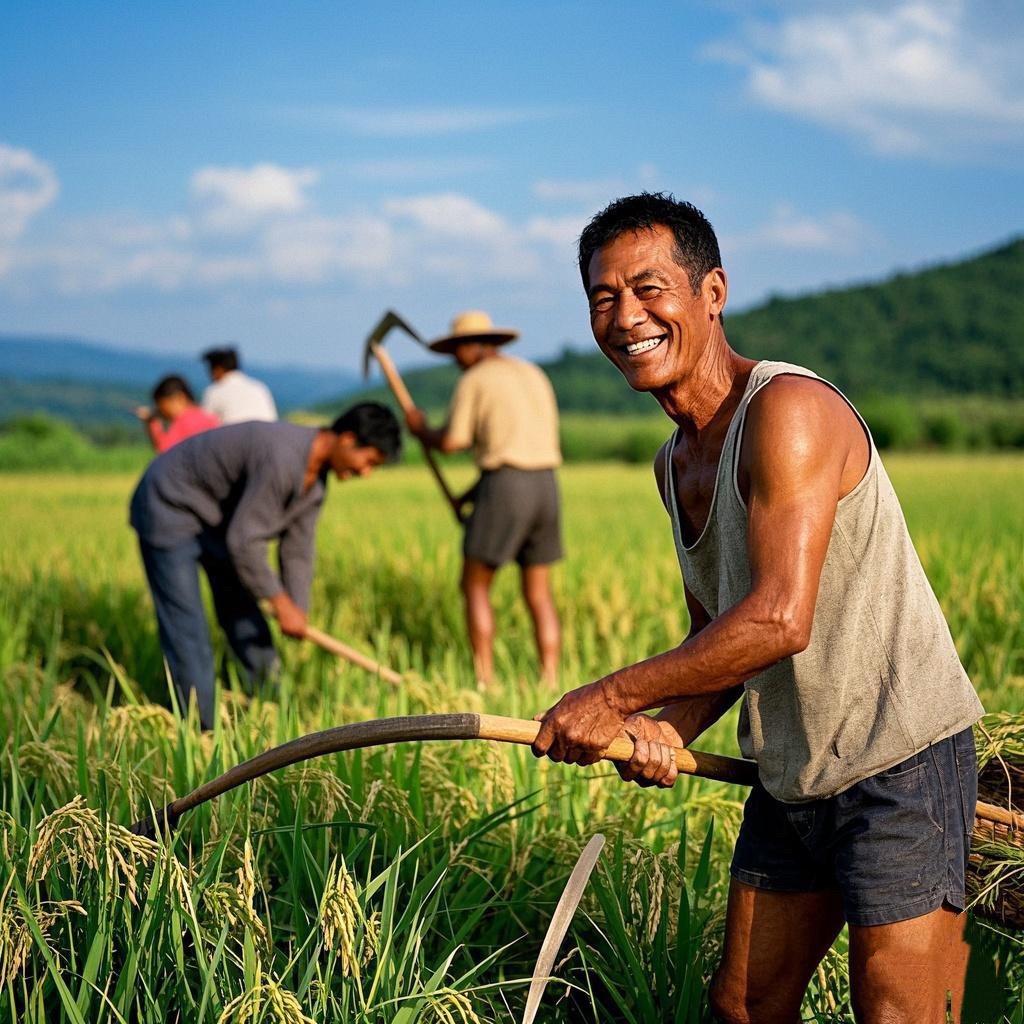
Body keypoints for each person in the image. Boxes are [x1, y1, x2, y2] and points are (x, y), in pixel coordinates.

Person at [530, 194, 984, 1023]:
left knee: (899, 1014)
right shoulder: (674, 464)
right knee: (742, 1008)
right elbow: (719, 633)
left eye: (649, 288)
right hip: (793, 775)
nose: (626, 315)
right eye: (603, 297)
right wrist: (669, 727)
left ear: (713, 292)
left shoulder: (788, 411)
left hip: (899, 764)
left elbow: (778, 618)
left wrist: (612, 699)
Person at [129, 402, 401, 730]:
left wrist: (296, 607)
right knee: (188, 626)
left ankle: (274, 709)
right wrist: (279, 602)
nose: (365, 472)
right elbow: (244, 542)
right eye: (368, 461)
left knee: (243, 608)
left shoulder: (314, 484)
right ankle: (200, 730)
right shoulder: (283, 459)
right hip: (168, 505)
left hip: (217, 520)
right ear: (346, 439)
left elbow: (298, 549)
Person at [405, 310, 563, 685]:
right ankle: (551, 677)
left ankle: (484, 678)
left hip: (505, 487)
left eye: (455, 352)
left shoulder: (476, 378)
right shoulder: (532, 374)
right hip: (546, 486)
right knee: (538, 591)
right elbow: (522, 450)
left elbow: (453, 442)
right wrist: (470, 495)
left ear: (470, 347)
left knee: (474, 584)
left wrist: (420, 429)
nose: (454, 361)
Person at [135, 375, 220, 453]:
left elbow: (165, 450)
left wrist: (152, 422)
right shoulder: (208, 417)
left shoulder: (184, 421)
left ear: (179, 398)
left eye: (162, 406)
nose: (162, 412)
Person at [201, 346, 278, 424]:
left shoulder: (215, 391)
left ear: (218, 369)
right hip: (267, 434)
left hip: (232, 434)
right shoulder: (259, 387)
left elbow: (205, 423)